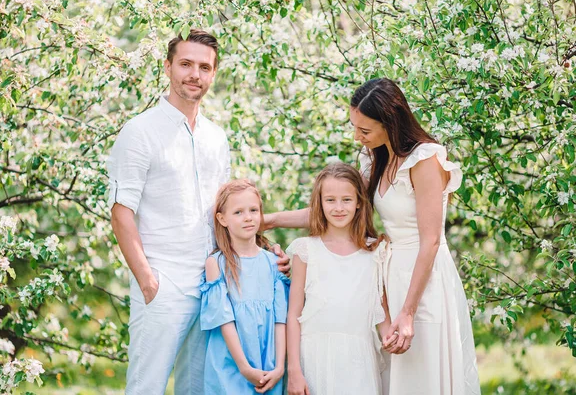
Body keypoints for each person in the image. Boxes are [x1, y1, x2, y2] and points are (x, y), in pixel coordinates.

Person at [266, 78, 480, 394]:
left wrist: (407, 312)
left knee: (423, 371)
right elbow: (333, 212)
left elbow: (431, 239)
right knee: (392, 372)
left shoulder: (425, 160)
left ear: (391, 124)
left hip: (424, 278)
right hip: (387, 273)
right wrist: (267, 220)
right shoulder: (375, 158)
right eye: (355, 127)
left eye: (364, 131)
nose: (357, 137)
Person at [107, 30, 288, 395]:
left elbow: (228, 212)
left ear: (214, 73)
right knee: (147, 386)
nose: (195, 74)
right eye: (186, 64)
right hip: (164, 281)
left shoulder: (216, 138)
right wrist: (147, 280)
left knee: (200, 388)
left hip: (214, 283)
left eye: (204, 67)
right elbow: (121, 212)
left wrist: (264, 246)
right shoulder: (140, 132)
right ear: (168, 67)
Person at [286, 163, 392, 395]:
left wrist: (391, 338)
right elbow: (293, 314)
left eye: (346, 199)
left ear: (359, 203)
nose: (338, 207)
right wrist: (294, 370)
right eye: (330, 200)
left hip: (359, 360)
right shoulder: (306, 251)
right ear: (319, 203)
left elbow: (380, 311)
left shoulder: (375, 251)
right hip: (314, 358)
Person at [199, 179, 289, 394]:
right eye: (238, 212)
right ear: (222, 219)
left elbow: (280, 319)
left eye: (253, 210)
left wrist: (279, 367)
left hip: (268, 362)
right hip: (231, 363)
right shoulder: (216, 264)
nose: (248, 217)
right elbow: (224, 320)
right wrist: (244, 368)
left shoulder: (273, 263)